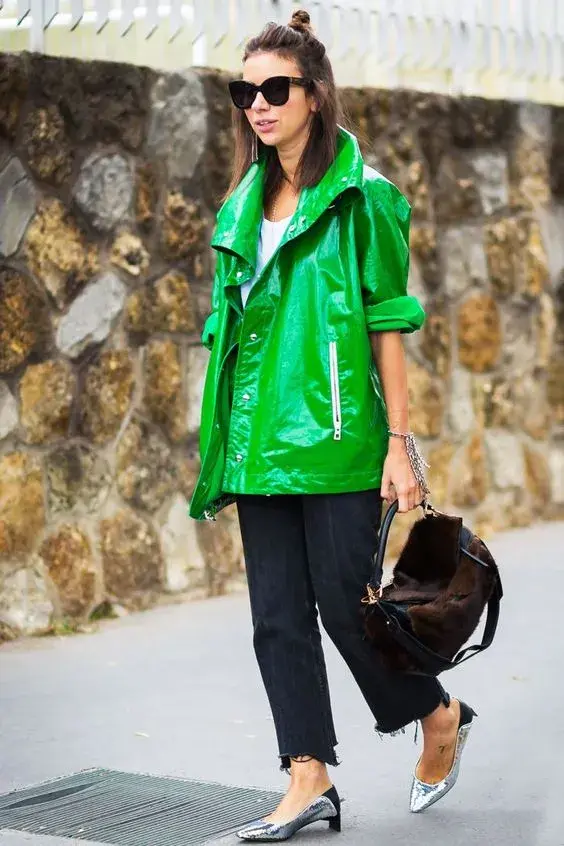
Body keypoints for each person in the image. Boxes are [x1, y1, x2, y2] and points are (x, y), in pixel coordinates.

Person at [190, 10, 476, 841]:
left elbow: (386, 321)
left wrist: (398, 441)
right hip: (256, 440)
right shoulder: (242, 202)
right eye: (245, 91)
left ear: (315, 95)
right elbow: (231, 328)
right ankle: (305, 776)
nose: (258, 104)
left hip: (339, 437)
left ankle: (438, 711)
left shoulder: (365, 196)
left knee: (348, 608)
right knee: (274, 616)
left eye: (274, 89)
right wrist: (219, 439)